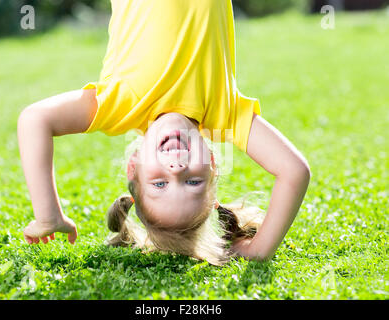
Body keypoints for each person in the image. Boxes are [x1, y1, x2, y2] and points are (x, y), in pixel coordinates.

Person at [17, 0, 310, 266]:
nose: (176, 167)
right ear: (212, 163)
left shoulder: (120, 105)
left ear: (134, 166)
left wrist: (49, 215)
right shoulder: (224, 112)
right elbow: (294, 171)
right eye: (193, 181)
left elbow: (35, 119)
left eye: (159, 184)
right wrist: (259, 249)